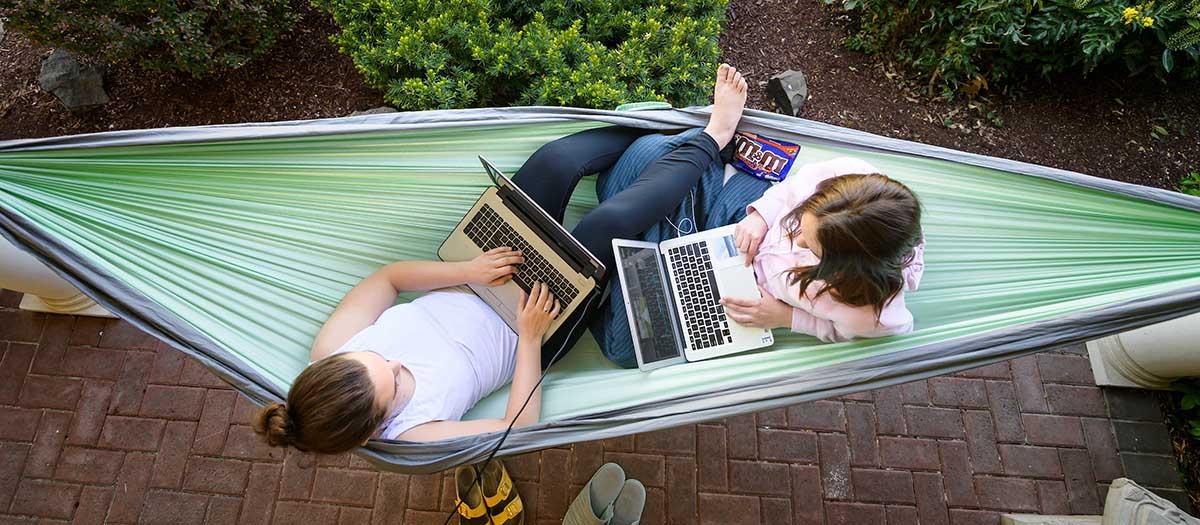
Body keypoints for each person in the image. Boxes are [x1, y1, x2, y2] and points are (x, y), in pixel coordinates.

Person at [252, 64, 752, 453]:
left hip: (478, 271)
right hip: (533, 322)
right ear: (370, 431)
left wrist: (467, 271)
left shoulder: (330, 352)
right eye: (396, 377)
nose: (396, 359)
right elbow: (519, 425)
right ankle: (714, 135)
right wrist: (531, 337)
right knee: (604, 225)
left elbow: (388, 279)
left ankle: (655, 124)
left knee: (555, 162)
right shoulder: (411, 434)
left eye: (379, 357)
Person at [720, 158, 926, 342]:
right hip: (748, 229)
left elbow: (844, 331)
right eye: (800, 221)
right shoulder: (849, 175)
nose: (798, 241)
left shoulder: (873, 316)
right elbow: (790, 187)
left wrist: (787, 317)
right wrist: (761, 217)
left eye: (812, 249)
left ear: (846, 269)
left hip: (759, 298)